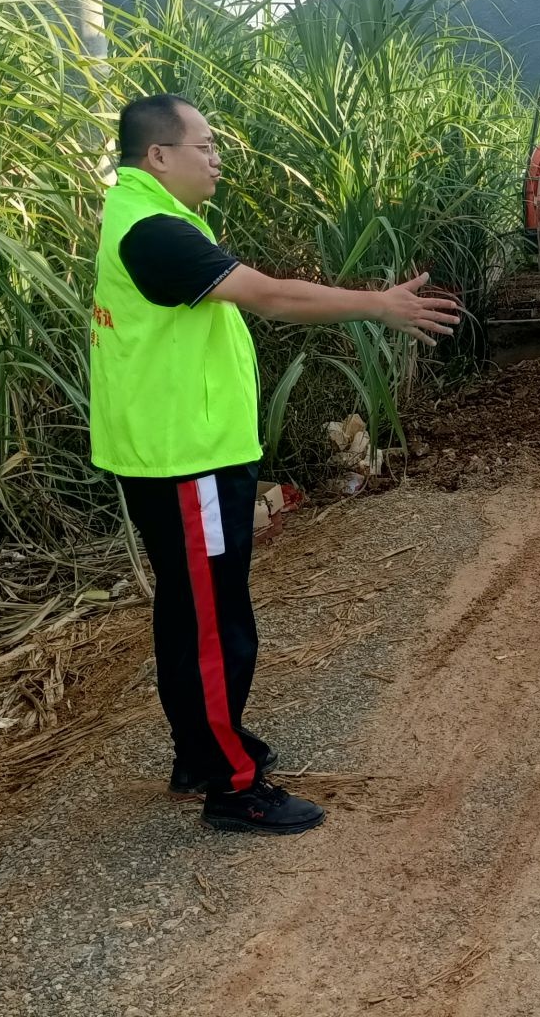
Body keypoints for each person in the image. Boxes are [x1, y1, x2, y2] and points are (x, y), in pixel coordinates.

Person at [90, 94, 461, 836]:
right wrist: (377, 304)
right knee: (216, 623)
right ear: (158, 156)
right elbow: (270, 296)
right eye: (204, 144)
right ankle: (235, 784)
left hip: (175, 453)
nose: (216, 156)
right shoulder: (154, 231)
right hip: (184, 459)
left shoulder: (148, 218)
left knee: (189, 612)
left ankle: (199, 758)